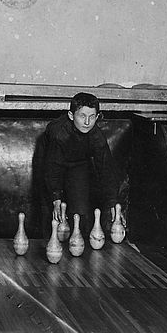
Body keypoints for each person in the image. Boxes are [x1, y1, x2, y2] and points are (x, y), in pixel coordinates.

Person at [42, 92, 120, 236]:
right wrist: (56, 198)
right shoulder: (59, 134)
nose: (87, 122)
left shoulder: (97, 136)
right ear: (71, 116)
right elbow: (52, 169)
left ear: (97, 117)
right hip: (49, 164)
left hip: (77, 165)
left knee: (81, 214)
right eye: (82, 116)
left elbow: (107, 170)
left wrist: (113, 203)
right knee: (52, 215)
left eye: (91, 117)